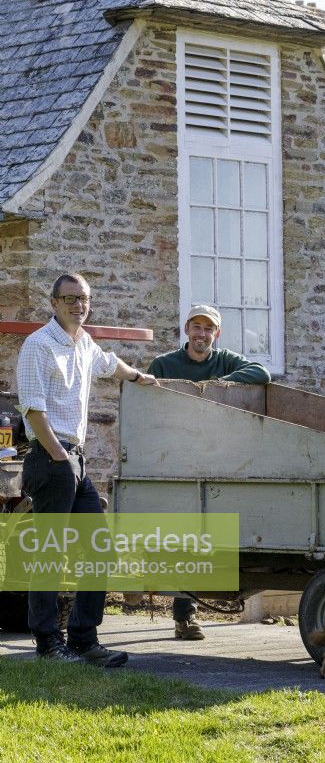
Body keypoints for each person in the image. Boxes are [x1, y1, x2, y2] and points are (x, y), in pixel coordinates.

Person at [16, 273, 158, 665]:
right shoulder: (38, 346)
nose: (79, 305)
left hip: (75, 460)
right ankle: (48, 644)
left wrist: (137, 376)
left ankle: (82, 638)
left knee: (99, 548)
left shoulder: (84, 342)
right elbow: (32, 408)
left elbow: (109, 365)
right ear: (54, 302)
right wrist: (59, 455)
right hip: (51, 458)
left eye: (84, 299)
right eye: (70, 299)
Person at [148, 304, 271, 640]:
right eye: (196, 327)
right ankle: (184, 618)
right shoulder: (164, 364)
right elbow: (148, 403)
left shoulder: (225, 360)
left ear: (216, 334)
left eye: (208, 329)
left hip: (218, 457)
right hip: (175, 457)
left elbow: (262, 373)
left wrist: (217, 384)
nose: (202, 334)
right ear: (186, 329)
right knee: (181, 540)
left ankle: (209, 602)